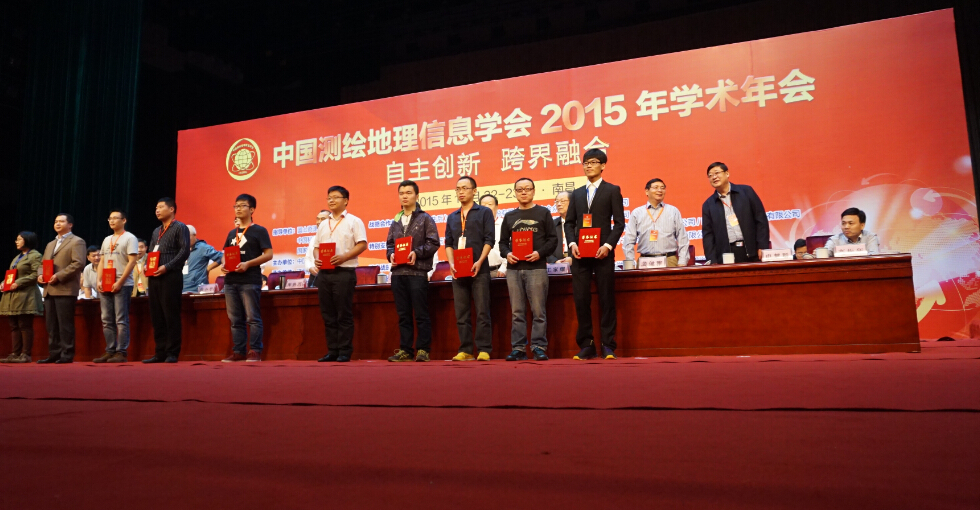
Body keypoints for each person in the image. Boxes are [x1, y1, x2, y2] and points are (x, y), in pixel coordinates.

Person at [564, 149, 625, 360]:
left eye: (593, 162)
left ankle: (608, 344)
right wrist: (572, 243)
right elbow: (569, 223)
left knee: (606, 298)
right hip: (580, 254)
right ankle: (587, 344)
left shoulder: (612, 190)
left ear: (603, 165)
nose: (588, 166)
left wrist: (608, 245)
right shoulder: (577, 193)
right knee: (581, 299)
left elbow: (619, 223)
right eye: (585, 163)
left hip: (603, 253)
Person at [499, 177, 558, 361]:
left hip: (536, 269)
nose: (523, 192)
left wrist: (540, 253)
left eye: (527, 189)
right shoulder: (509, 216)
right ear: (515, 193)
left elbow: (553, 240)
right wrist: (507, 253)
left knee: (538, 311)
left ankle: (539, 347)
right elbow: (502, 243)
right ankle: (518, 348)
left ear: (533, 191)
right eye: (520, 189)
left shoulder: (543, 213)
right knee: (517, 312)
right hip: (514, 270)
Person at [385, 180, 440, 362]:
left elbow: (433, 243)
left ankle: (423, 350)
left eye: (409, 193)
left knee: (421, 314)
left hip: (417, 273)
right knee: (403, 315)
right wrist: (391, 255)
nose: (405, 196)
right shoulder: (396, 220)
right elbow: (390, 244)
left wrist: (416, 252)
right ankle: (406, 351)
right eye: (401, 193)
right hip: (398, 274)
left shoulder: (425, 218)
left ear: (417, 195)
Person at [313, 186, 367, 363]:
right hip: (324, 274)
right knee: (328, 314)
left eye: (336, 197)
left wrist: (344, 256)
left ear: (346, 201)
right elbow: (316, 247)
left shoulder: (354, 221)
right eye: (329, 197)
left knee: (343, 313)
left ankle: (344, 351)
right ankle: (332, 351)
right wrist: (317, 259)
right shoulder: (323, 224)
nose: (331, 200)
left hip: (344, 272)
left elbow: (362, 244)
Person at [444, 176, 495, 361]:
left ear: (474, 191)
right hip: (459, 270)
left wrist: (480, 261)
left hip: (479, 268)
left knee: (482, 311)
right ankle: (465, 350)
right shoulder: (452, 217)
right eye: (458, 189)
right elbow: (448, 243)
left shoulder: (484, 212)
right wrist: (451, 263)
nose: (461, 192)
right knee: (461, 313)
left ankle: (484, 349)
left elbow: (489, 240)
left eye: (465, 188)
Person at [220, 194, 274, 362]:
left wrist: (248, 264)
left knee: (252, 318)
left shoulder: (259, 230)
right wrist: (223, 264)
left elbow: (269, 254)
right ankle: (239, 351)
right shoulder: (232, 233)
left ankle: (255, 351)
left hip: (250, 280)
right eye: (236, 206)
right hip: (230, 281)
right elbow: (225, 253)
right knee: (235, 319)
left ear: (252, 209)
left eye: (242, 205)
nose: (238, 209)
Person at [143, 198, 191, 363]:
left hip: (171, 276)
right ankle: (160, 352)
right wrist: (146, 265)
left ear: (171, 209)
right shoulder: (156, 231)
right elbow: (151, 251)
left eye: (161, 207)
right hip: (154, 277)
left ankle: (172, 352)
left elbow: (184, 251)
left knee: (171, 315)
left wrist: (167, 266)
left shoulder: (180, 227)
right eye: (156, 207)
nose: (157, 210)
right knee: (157, 316)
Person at [36, 213, 86, 364]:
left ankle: (67, 353)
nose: (57, 224)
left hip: (65, 288)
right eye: (56, 221)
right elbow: (42, 264)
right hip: (49, 288)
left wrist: (59, 275)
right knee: (51, 325)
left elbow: (78, 263)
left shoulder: (77, 241)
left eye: (61, 221)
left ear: (70, 225)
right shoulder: (50, 244)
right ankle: (54, 353)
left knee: (65, 324)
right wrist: (40, 275)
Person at [93, 209, 139, 363]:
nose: (112, 221)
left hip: (122, 283)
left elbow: (132, 262)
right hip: (106, 282)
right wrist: (98, 280)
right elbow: (102, 261)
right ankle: (110, 350)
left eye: (115, 218)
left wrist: (120, 282)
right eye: (110, 218)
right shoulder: (107, 239)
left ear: (124, 220)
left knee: (120, 319)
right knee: (106, 319)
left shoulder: (130, 238)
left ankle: (121, 352)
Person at [701, 162, 770, 264]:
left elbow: (760, 219)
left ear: (727, 173)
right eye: (710, 175)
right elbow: (708, 235)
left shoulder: (746, 191)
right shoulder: (708, 204)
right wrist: (712, 260)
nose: (714, 177)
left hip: (752, 250)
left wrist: (762, 246)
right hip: (726, 256)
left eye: (717, 173)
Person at [622, 178, 690, 266]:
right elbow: (628, 241)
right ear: (647, 191)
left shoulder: (673, 211)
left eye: (662, 188)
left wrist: (682, 262)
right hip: (644, 261)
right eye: (656, 187)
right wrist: (630, 264)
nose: (659, 190)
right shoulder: (637, 213)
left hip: (669, 260)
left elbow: (683, 238)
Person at [0, 232, 43, 363]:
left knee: (24, 325)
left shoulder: (35, 255)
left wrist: (19, 282)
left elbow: (36, 274)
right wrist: (4, 282)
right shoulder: (17, 257)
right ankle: (15, 353)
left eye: (19, 239)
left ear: (28, 240)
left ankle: (26, 354)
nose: (16, 241)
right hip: (13, 295)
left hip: (26, 295)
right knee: (14, 325)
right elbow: (11, 274)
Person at [182, 225, 224, 293]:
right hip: (182, 289)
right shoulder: (182, 250)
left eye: (188, 236)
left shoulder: (203, 247)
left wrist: (208, 268)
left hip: (197, 290)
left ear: (194, 235)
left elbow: (221, 256)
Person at [479, 194, 508, 277]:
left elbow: (510, 247)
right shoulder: (476, 226)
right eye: (483, 205)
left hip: (500, 271)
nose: (487, 207)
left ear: (496, 207)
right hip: (480, 272)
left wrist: (504, 267)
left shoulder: (504, 224)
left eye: (490, 204)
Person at [303, 210, 331, 287]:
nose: (319, 222)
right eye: (318, 219)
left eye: (323, 219)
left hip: (330, 276)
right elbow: (307, 258)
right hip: (314, 277)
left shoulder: (334, 237)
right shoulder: (313, 239)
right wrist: (310, 268)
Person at [547, 191, 572, 264]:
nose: (559, 204)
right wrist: (555, 261)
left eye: (562, 201)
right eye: (557, 201)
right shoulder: (552, 224)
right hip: (557, 265)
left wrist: (573, 258)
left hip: (578, 265)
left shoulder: (580, 223)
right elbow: (545, 247)